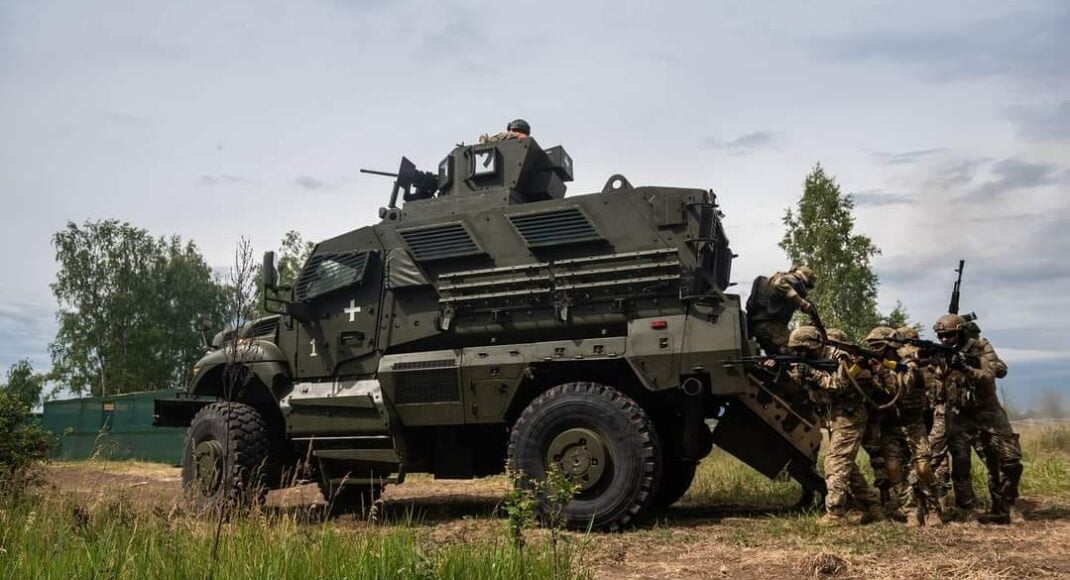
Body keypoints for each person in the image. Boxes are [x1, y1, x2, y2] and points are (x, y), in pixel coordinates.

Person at [932, 313, 1023, 522]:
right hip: (959, 414)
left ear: (961, 332)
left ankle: (1006, 504)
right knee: (961, 464)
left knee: (1009, 460)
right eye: (941, 337)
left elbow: (990, 374)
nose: (944, 340)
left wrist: (964, 366)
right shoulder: (941, 352)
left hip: (988, 412)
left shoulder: (981, 347)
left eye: (948, 336)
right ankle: (967, 509)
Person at [787, 326, 881, 525]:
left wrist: (811, 373)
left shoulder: (840, 357)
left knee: (834, 463)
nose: (799, 354)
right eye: (796, 351)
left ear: (812, 346)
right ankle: (873, 507)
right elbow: (795, 386)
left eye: (802, 350)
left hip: (850, 416)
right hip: (832, 418)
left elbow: (839, 384)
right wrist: (787, 371)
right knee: (847, 467)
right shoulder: (806, 361)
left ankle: (835, 513)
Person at [865, 327, 942, 526]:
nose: (875, 350)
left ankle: (934, 509)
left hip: (913, 425)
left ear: (890, 345)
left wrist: (883, 373)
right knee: (894, 470)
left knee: (923, 468)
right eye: (872, 347)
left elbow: (903, 389)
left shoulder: (908, 365)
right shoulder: (874, 367)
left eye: (878, 346)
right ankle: (910, 511)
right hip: (890, 426)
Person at [746, 265, 817, 355]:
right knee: (797, 350)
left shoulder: (778, 280)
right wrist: (802, 302)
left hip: (760, 328)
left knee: (780, 359)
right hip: (771, 328)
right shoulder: (794, 279)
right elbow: (779, 283)